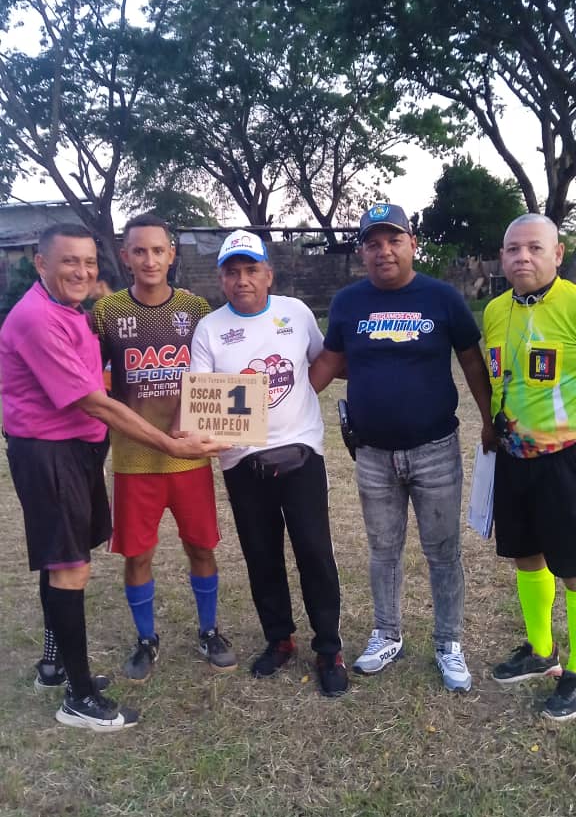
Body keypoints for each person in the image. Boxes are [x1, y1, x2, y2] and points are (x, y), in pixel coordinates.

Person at [0, 223, 226, 731]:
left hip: (76, 451)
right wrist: (170, 443)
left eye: (87, 261)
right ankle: (79, 697)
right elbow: (94, 400)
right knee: (70, 568)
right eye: (68, 261)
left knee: (63, 561)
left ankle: (57, 667)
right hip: (52, 452)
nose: (81, 271)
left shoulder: (72, 311)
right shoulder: (44, 318)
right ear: (41, 263)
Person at [309, 202, 495, 692]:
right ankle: (387, 634)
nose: (384, 251)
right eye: (373, 243)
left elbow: (472, 362)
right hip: (372, 454)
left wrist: (488, 420)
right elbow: (326, 365)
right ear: (362, 252)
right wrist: (271, 404)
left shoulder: (442, 297)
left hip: (435, 449)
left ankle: (448, 643)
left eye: (394, 240)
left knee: (443, 552)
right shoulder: (348, 303)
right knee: (383, 551)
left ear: (413, 244)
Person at [190, 229, 348, 697]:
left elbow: (322, 362)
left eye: (251, 270)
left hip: (302, 451)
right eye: (232, 272)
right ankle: (280, 638)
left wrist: (302, 396)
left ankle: (329, 647)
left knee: (314, 552)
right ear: (221, 279)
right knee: (261, 555)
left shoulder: (295, 313)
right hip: (242, 460)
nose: (242, 280)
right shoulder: (210, 329)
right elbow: (203, 398)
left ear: (268, 274)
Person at [93, 213, 237, 681]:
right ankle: (146, 639)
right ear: (125, 256)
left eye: (158, 250)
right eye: (140, 251)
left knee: (201, 547)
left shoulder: (195, 308)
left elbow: (215, 377)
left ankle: (209, 631)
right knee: (137, 555)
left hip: (188, 458)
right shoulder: (107, 312)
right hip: (134, 460)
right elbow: (92, 383)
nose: (150, 260)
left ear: (172, 254)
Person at [485, 213, 576, 721]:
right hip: (513, 456)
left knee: (574, 568)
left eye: (535, 248)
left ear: (557, 254)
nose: (522, 257)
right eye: (513, 248)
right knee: (526, 554)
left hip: (566, 457)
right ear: (502, 257)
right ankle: (542, 651)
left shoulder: (573, 303)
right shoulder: (495, 310)